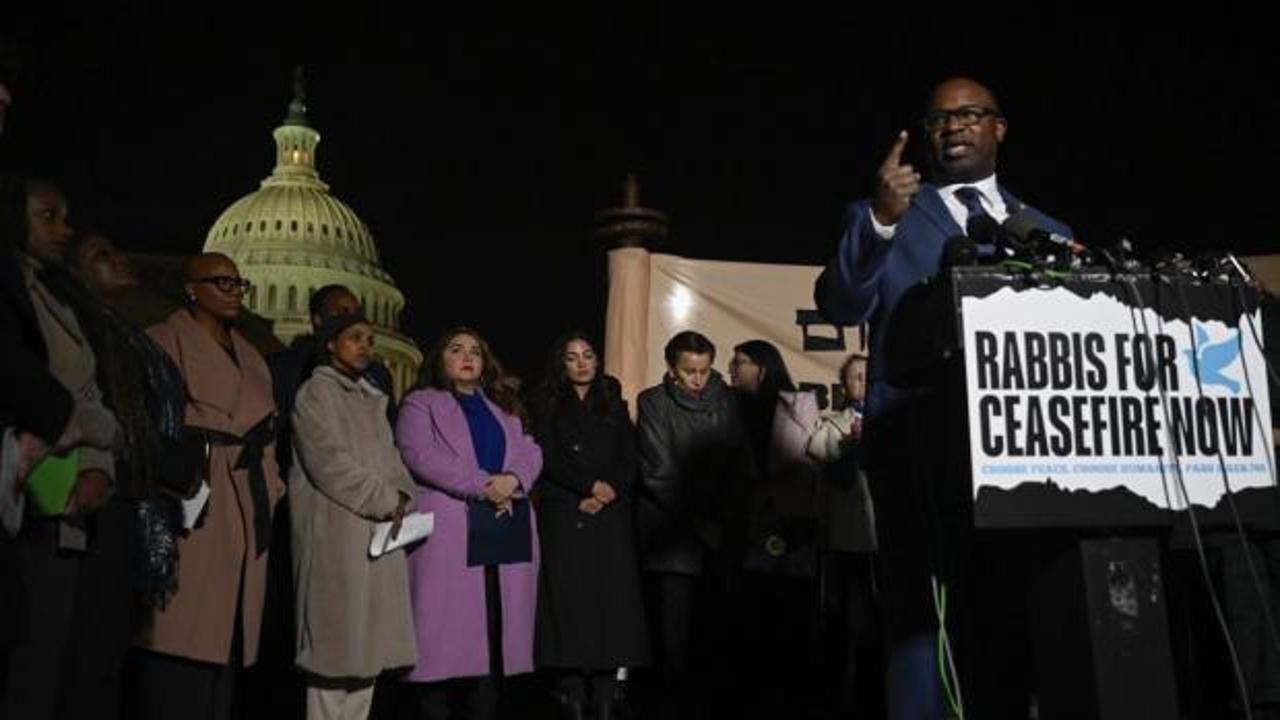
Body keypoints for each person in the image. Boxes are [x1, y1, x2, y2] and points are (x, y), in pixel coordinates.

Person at [814, 77, 1074, 718]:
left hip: (1026, 458)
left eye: (970, 115)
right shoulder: (886, 216)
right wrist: (879, 220)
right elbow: (840, 302)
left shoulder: (1047, 230)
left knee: (1013, 614)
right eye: (938, 120)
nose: (954, 127)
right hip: (917, 449)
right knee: (920, 622)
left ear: (999, 128)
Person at [134, 252, 285, 720]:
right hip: (192, 495)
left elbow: (267, 431)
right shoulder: (163, 340)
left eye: (239, 283)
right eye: (221, 282)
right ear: (191, 288)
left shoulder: (254, 356)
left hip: (247, 498)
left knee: (228, 650)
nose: (234, 291)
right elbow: (150, 421)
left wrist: (272, 484)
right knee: (184, 641)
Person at [2, 181, 120, 720]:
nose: (64, 229)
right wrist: (88, 427)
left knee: (44, 673)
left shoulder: (57, 302)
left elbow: (89, 390)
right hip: (21, 490)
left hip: (65, 504)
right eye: (48, 216)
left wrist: (99, 467)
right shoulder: (17, 296)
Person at [395, 327, 543, 720]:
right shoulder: (420, 403)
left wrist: (513, 480)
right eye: (456, 349)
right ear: (439, 359)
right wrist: (485, 486)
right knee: (440, 644)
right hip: (450, 533)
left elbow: (530, 450)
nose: (467, 356)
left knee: (493, 641)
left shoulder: (504, 408)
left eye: (475, 350)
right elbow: (420, 455)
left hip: (502, 530)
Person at [289, 313, 417, 720]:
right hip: (335, 534)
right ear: (330, 343)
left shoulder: (372, 400)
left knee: (366, 660)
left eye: (369, 339)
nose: (366, 346)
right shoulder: (314, 394)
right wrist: (384, 497)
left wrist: (402, 495)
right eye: (355, 338)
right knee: (332, 660)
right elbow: (328, 463)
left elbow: (392, 459)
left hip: (376, 538)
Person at [527, 332, 649, 720]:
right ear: (560, 364)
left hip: (609, 514)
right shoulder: (543, 401)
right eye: (572, 357)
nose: (582, 363)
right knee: (569, 603)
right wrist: (586, 486)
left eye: (588, 355)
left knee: (610, 605)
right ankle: (570, 693)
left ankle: (606, 694)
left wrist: (609, 489)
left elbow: (629, 454)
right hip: (565, 509)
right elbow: (545, 453)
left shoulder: (612, 400)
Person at [635, 330, 754, 719]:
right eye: (689, 371)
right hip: (673, 542)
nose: (698, 378)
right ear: (672, 368)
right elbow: (658, 474)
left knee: (718, 638)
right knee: (674, 644)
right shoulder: (652, 402)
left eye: (704, 370)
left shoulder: (728, 402)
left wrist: (726, 523)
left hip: (722, 538)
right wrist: (701, 524)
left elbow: (741, 467)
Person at [727, 339, 822, 716]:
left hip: (793, 523)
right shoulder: (731, 409)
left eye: (741, 362)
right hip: (751, 525)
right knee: (754, 612)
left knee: (793, 612)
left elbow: (809, 460)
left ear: (763, 367)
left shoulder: (797, 403)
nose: (733, 368)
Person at [808, 353, 880, 715]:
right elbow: (829, 470)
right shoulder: (834, 426)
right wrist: (852, 447)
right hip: (851, 539)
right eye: (856, 377)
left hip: (888, 538)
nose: (863, 383)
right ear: (845, 384)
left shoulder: (894, 420)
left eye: (869, 376)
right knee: (853, 621)